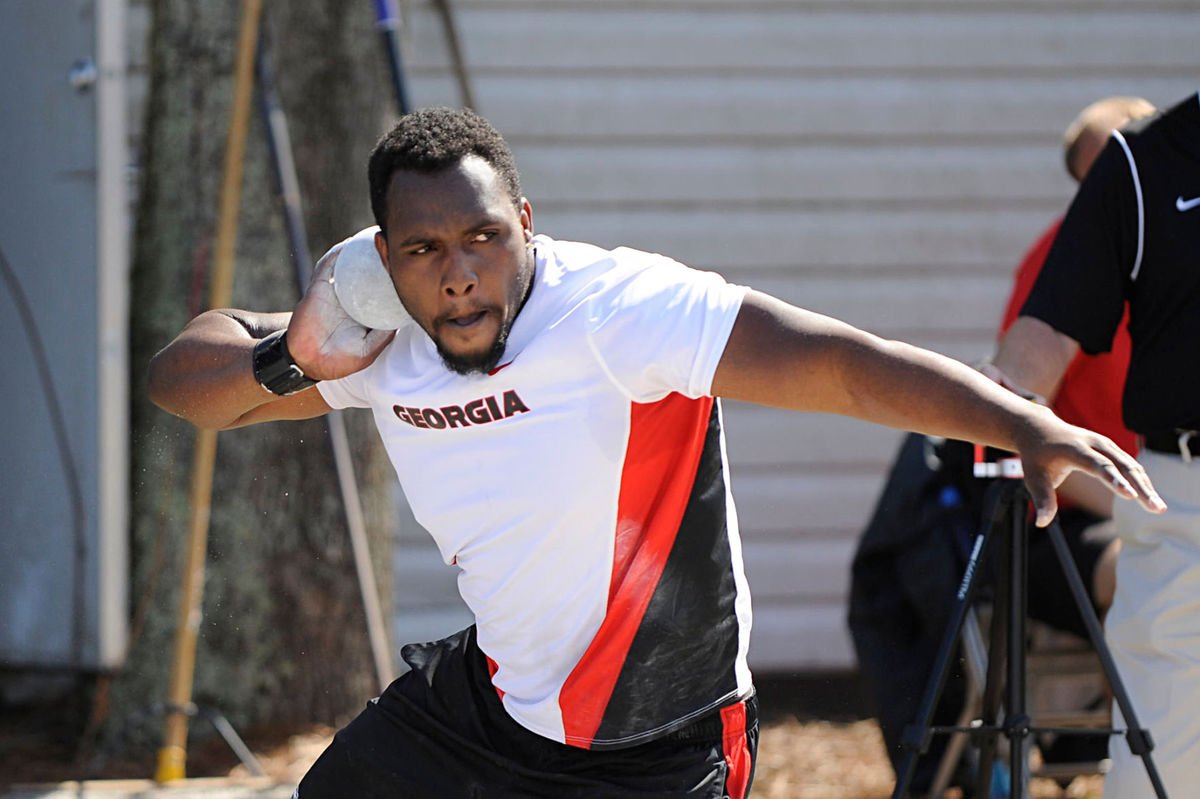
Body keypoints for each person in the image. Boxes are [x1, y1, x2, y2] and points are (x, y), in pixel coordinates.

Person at [148, 107, 1162, 799]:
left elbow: (841, 365)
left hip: (659, 736)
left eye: (482, 238)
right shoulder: (373, 334)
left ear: (525, 225)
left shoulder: (617, 310)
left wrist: (1020, 421)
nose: (458, 275)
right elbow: (182, 381)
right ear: (383, 256)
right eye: (422, 250)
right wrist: (290, 356)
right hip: (491, 707)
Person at [847, 96, 1154, 793]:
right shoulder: (1062, 263)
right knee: (1149, 565)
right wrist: (1130, 504)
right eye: (1101, 173)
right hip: (1069, 518)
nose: (1122, 181)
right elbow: (1012, 420)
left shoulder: (1175, 249)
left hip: (1158, 500)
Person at [990, 90, 1200, 798]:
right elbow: (1027, 359)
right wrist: (1002, 418)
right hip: (1175, 501)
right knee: (1164, 766)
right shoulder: (1143, 164)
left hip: (1139, 499)